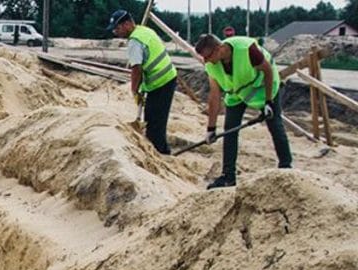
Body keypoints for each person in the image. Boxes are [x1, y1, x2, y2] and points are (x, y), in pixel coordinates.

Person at [194, 33, 291, 189]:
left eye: (207, 56)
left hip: (262, 86)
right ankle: (228, 176)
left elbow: (267, 71)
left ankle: (286, 168)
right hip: (237, 93)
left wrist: (268, 102)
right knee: (230, 130)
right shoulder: (211, 65)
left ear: (219, 49)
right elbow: (214, 96)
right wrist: (211, 129)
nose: (206, 61)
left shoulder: (247, 49)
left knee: (274, 124)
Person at [106, 9, 178, 154]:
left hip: (160, 83)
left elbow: (136, 69)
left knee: (154, 125)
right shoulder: (144, 31)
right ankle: (163, 149)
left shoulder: (135, 41)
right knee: (157, 120)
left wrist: (134, 90)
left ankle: (160, 154)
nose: (115, 32)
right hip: (167, 78)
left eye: (117, 28)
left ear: (126, 24)